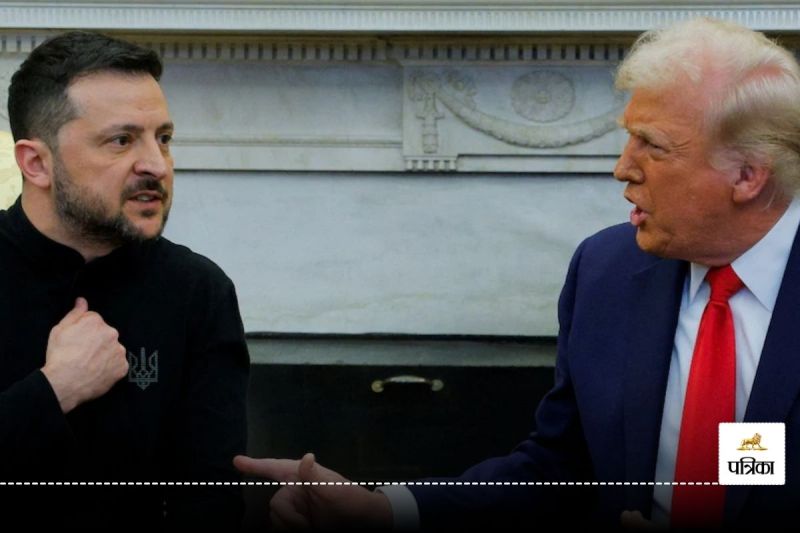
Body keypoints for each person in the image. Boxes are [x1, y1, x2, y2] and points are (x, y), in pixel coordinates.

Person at [234, 17, 800, 530]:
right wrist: (385, 510)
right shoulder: (607, 272)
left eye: (652, 146)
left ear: (747, 176)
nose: (622, 168)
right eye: (628, 137)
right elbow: (559, 469)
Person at [0, 32, 249, 528]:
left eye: (164, 139)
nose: (156, 165)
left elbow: (210, 500)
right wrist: (53, 391)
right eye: (121, 140)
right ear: (37, 163)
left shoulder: (198, 292)